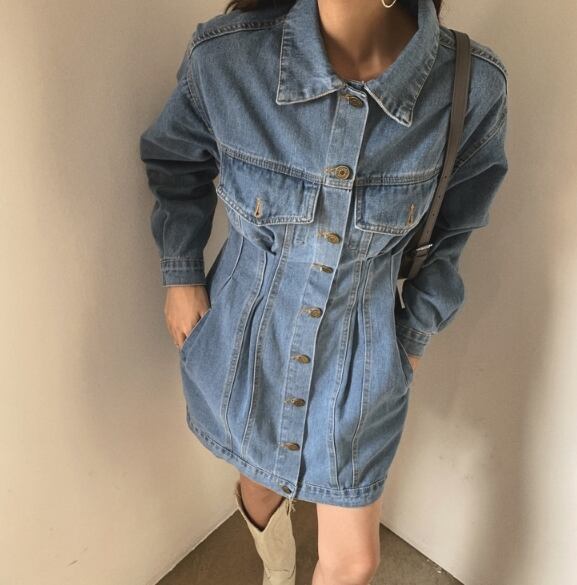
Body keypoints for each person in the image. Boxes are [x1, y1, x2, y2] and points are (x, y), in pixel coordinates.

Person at [139, 0, 509, 583]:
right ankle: (278, 573)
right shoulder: (226, 56)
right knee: (260, 485)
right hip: (246, 342)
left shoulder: (470, 87)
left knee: (355, 560)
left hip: (362, 360)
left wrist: (413, 336)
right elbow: (175, 162)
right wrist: (181, 273)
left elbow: (455, 230)